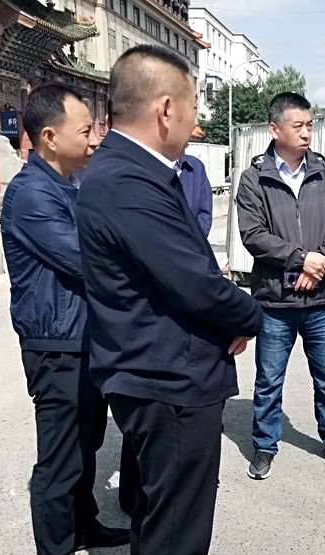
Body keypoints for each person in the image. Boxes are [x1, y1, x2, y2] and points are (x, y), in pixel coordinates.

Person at [76, 45, 262, 555]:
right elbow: (194, 281)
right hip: (166, 377)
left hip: (160, 367)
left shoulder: (129, 171)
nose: (194, 121)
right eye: (190, 107)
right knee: (176, 516)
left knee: (162, 510)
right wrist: (251, 314)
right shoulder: (128, 181)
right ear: (164, 109)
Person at [1, 83, 129, 555]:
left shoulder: (68, 184)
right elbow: (87, 259)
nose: (95, 139)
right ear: (50, 137)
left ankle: (82, 524)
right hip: (57, 344)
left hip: (84, 337)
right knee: (59, 457)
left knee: (87, 444)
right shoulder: (32, 194)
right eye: (86, 130)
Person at [235, 92, 325, 480]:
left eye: (309, 125)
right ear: (275, 129)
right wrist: (301, 258)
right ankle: (264, 445)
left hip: (321, 301)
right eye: (298, 126)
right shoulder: (255, 178)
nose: (307, 133)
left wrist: (319, 262)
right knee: (269, 381)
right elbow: (254, 235)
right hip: (275, 303)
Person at [116, 145, 213, 517]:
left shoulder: (194, 169)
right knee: (147, 405)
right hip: (154, 289)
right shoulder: (138, 169)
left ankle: (165, 489)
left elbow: (203, 216)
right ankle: (134, 495)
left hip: (189, 274)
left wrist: (187, 251)